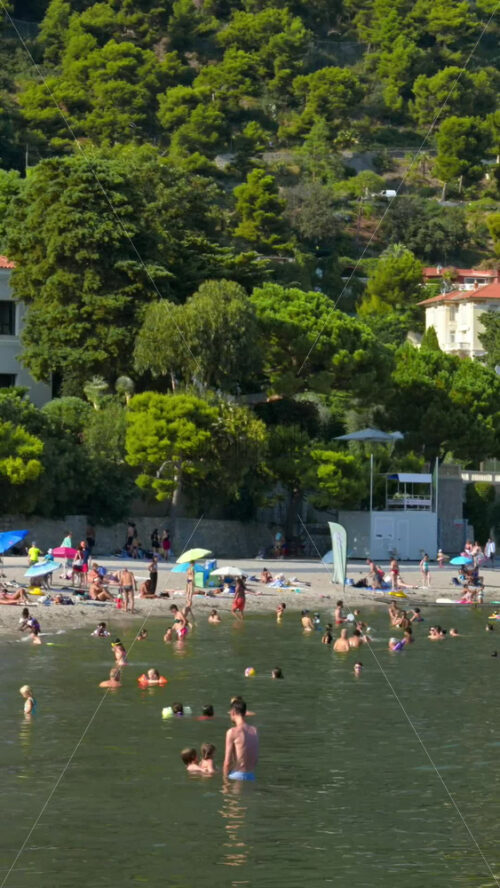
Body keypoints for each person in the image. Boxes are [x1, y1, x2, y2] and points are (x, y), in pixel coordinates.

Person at [223, 699, 259, 781]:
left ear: (233, 712)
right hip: (251, 776)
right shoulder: (254, 730)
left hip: (237, 776)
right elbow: (255, 759)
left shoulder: (232, 732)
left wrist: (225, 782)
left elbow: (227, 763)